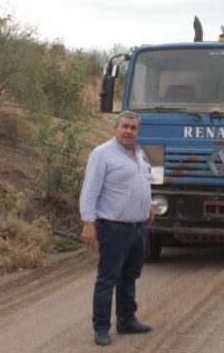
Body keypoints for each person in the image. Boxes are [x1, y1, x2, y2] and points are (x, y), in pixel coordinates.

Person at [80, 111, 155, 346]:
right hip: (113, 227)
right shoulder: (102, 154)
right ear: (115, 128)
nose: (128, 131)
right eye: (124, 126)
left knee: (129, 276)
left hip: (137, 227)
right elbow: (90, 190)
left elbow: (142, 182)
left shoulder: (139, 154)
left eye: (133, 128)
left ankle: (126, 320)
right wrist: (88, 222)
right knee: (107, 279)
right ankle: (101, 328)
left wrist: (149, 205)